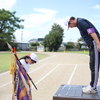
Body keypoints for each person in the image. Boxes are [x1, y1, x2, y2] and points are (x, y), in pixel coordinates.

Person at [64, 16, 100, 93]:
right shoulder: (80, 23)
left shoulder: (80, 22)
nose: (71, 27)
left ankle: (93, 88)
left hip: (94, 43)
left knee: (94, 66)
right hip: (92, 44)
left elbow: (91, 31)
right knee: (92, 65)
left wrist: (98, 43)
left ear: (71, 21)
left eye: (69, 26)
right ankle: (92, 85)